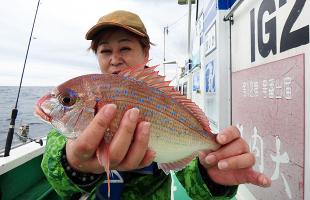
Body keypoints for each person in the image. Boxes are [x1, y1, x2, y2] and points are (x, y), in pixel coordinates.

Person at [41, 10, 271, 200]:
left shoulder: (161, 96)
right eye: (105, 51)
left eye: (125, 48)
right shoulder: (81, 107)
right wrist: (73, 163)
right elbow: (57, 177)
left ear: (146, 52)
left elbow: (192, 179)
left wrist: (211, 174)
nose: (114, 59)